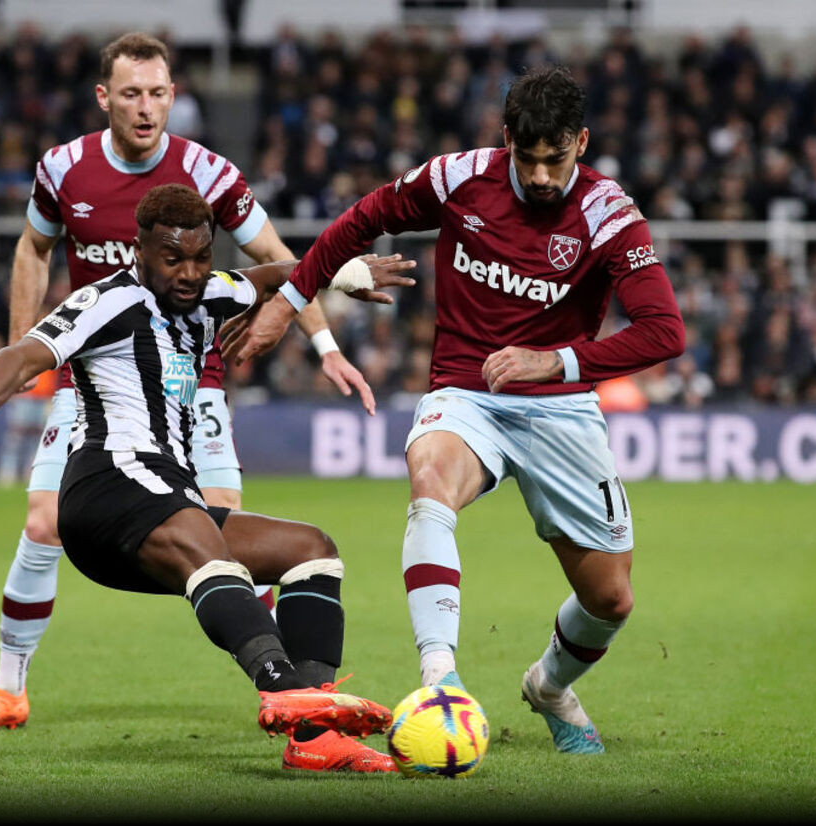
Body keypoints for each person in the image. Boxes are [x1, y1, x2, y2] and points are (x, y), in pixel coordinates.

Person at [228, 66, 685, 754]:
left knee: (610, 599)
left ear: (581, 143)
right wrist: (290, 302)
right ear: (506, 140)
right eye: (525, 158)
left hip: (560, 404)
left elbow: (664, 331)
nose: (537, 175)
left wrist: (552, 360)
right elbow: (361, 221)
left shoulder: (608, 214)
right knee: (431, 479)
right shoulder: (458, 178)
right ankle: (440, 682)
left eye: (553, 160)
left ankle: (550, 686)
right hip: (467, 391)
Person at [0, 32, 374, 733]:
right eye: (132, 93)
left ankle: (289, 690)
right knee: (42, 519)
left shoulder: (209, 171)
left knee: (224, 524)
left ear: (174, 95)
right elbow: (34, 246)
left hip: (196, 380)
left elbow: (274, 260)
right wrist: (18, 355)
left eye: (158, 94)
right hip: (98, 373)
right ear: (104, 97)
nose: (146, 108)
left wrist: (323, 340)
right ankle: (7, 687)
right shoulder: (64, 169)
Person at [0, 184, 415, 772]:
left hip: (165, 497)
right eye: (173, 259)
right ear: (138, 250)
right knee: (208, 550)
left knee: (313, 551)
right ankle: (281, 690)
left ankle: (315, 737)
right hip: (106, 490)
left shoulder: (210, 290)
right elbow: (24, 355)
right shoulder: (106, 301)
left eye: (201, 257)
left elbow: (275, 273)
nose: (190, 273)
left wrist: (341, 271)